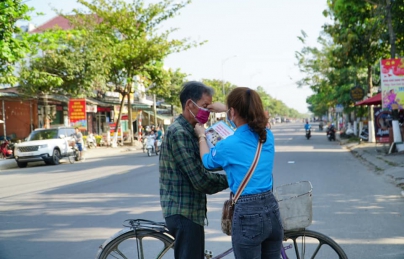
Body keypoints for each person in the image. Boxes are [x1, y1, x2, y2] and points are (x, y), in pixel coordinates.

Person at [194, 87, 283, 259]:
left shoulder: (228, 145)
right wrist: (227, 109)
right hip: (272, 210)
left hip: (248, 213)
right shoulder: (267, 136)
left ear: (232, 112)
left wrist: (201, 136)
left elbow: (207, 161)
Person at [159, 81, 229, 259]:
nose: (208, 111)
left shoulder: (193, 131)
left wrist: (226, 110)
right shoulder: (179, 132)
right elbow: (200, 179)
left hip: (191, 212)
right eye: (205, 106)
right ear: (190, 104)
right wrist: (232, 179)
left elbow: (212, 160)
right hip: (184, 212)